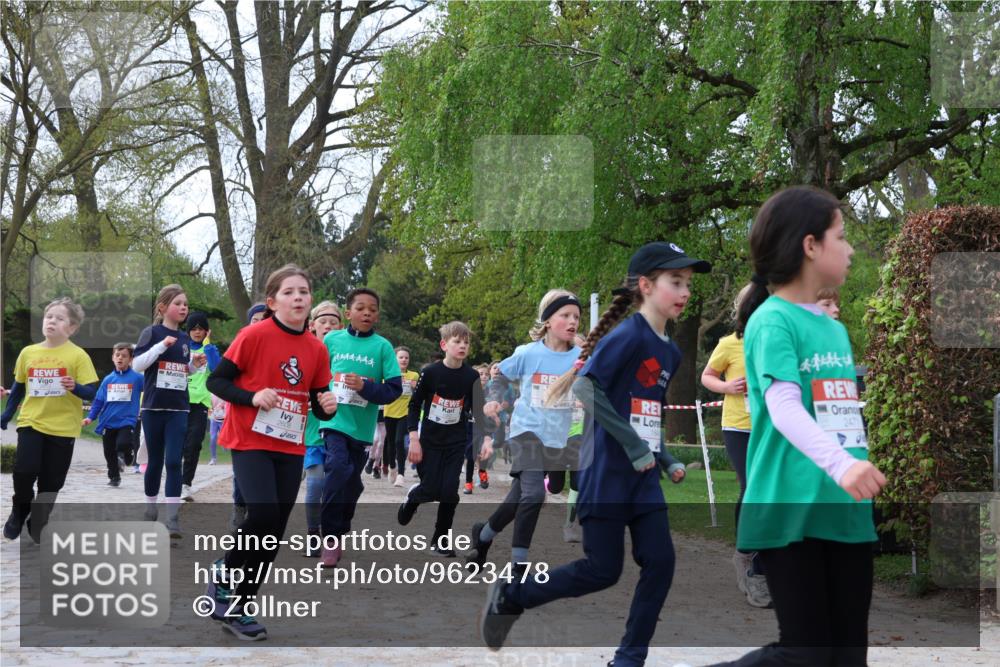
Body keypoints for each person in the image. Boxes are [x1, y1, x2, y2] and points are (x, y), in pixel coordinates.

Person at [479, 242, 700, 667]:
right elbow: (585, 386)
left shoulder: (669, 349)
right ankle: (513, 595)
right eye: (676, 282)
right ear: (646, 286)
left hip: (643, 479)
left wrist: (665, 456)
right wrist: (634, 447)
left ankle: (629, 657)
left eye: (688, 283)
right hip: (607, 476)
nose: (685, 291)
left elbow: (644, 414)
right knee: (603, 569)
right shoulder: (628, 335)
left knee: (661, 563)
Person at [705, 186, 886, 667]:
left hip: (846, 514)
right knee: (804, 655)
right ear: (810, 246)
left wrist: (853, 472)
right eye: (841, 237)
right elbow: (783, 407)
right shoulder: (772, 321)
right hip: (792, 510)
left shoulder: (835, 329)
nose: (849, 249)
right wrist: (842, 465)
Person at [204, 264, 336, 640]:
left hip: (290, 444)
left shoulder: (316, 348)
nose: (298, 297)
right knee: (262, 514)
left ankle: (241, 608)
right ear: (272, 300)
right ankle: (223, 572)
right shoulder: (254, 335)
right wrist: (252, 397)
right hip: (250, 439)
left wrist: (328, 404)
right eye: (290, 291)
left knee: (274, 531)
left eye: (304, 292)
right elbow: (217, 380)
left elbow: (317, 396)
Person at [465, 290, 584, 570]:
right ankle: (519, 566)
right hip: (525, 431)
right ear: (547, 320)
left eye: (577, 317)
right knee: (534, 495)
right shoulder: (528, 353)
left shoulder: (581, 358)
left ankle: (482, 537)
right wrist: (493, 398)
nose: (572, 321)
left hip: (556, 438)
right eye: (565, 315)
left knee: (515, 501)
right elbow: (500, 375)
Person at [1, 298, 99, 541]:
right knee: (24, 472)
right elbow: (19, 387)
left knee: (52, 480)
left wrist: (75, 387)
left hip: (63, 428)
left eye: (59, 318)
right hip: (32, 422)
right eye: (48, 317)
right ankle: (19, 510)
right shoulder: (28, 353)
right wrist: (6, 415)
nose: (52, 321)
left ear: (73, 327)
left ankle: (40, 518)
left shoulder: (78, 356)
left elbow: (92, 391)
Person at [318, 287, 402, 568]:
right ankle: (329, 536)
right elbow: (317, 376)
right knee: (338, 468)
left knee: (352, 483)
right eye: (361, 308)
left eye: (373, 309)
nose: (367, 313)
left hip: (362, 428)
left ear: (377, 315)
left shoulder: (382, 347)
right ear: (348, 313)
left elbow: (393, 390)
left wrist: (365, 387)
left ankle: (340, 528)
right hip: (333, 420)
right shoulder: (332, 340)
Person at [398, 321, 493, 557]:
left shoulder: (471, 376)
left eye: (466, 342)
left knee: (450, 491)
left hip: (455, 441)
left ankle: (439, 540)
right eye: (457, 341)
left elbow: (478, 410)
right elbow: (414, 405)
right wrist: (414, 437)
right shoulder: (430, 372)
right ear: (444, 345)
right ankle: (413, 498)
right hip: (429, 441)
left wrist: (486, 438)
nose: (462, 346)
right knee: (430, 490)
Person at [701, 295, 771, 608]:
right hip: (739, 428)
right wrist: (727, 388)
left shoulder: (778, 341)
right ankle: (747, 555)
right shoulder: (729, 344)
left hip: (772, 427)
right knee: (753, 488)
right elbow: (707, 376)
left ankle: (759, 558)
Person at [132, 285, 201, 537]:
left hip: (179, 408)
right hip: (152, 407)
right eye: (178, 303)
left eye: (185, 304)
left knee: (174, 461)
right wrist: (160, 345)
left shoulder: (184, 339)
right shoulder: (151, 332)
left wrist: (193, 365)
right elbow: (138, 365)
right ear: (162, 308)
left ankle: (172, 518)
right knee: (155, 462)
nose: (183, 308)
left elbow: (181, 370)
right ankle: (151, 506)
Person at [301, 300, 342, 557]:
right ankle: (314, 534)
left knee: (336, 487)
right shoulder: (304, 351)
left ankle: (333, 535)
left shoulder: (346, 355)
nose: (328, 326)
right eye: (323, 321)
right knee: (315, 484)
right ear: (312, 325)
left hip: (340, 432)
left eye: (334, 322)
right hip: (312, 433)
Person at [83, 342, 144, 488]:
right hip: (108, 421)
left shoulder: (137, 378)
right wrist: (90, 417)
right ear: (112, 357)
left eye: (124, 356)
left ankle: (127, 454)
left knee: (122, 443)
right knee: (109, 452)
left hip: (127, 420)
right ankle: (114, 477)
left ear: (130, 359)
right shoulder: (108, 380)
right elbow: (98, 401)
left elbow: (151, 389)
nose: (120, 358)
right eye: (117, 355)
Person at [180, 312, 221, 501]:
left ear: (206, 331)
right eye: (193, 328)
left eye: (201, 329)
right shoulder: (182, 347)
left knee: (194, 444)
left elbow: (217, 368)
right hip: (179, 401)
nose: (197, 332)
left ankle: (186, 483)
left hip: (200, 403)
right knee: (178, 444)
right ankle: (174, 480)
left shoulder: (210, 348)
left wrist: (208, 345)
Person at [384, 345, 420, 488]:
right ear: (395, 359)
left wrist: (414, 386)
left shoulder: (414, 375)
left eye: (406, 357)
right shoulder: (388, 374)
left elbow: (418, 395)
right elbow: (383, 390)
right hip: (389, 411)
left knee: (400, 441)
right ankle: (392, 467)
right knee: (391, 442)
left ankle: (401, 475)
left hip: (405, 413)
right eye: (401, 357)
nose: (404, 360)